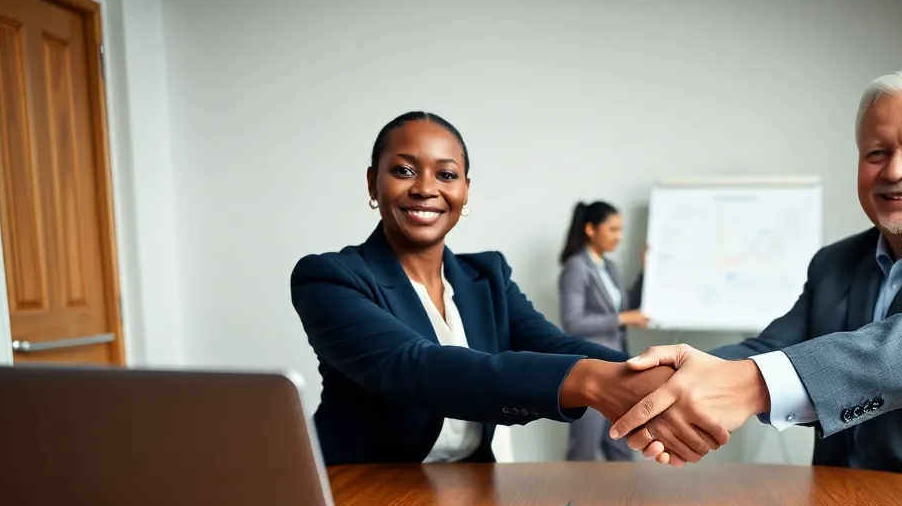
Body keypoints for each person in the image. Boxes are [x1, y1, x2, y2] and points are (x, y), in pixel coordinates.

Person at [612, 66, 902, 501]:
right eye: (876, 153)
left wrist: (749, 385)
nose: (894, 171)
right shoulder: (834, 263)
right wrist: (668, 380)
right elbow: (771, 348)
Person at [289, 111, 725, 466]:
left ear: (465, 190)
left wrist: (664, 376)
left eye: (446, 174)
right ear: (372, 183)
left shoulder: (487, 277)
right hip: (359, 492)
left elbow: (555, 343)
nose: (425, 188)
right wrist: (590, 382)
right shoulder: (329, 279)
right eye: (403, 171)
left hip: (467, 489)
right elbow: (417, 368)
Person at [556, 200, 649, 461]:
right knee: (583, 449)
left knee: (621, 447)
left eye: (621, 230)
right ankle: (573, 502)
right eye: (612, 229)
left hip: (617, 368)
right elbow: (573, 322)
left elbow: (626, 304)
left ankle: (621, 502)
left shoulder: (610, 267)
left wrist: (646, 271)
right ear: (590, 229)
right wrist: (623, 318)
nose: (618, 237)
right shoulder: (576, 267)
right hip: (590, 370)